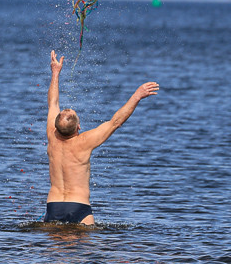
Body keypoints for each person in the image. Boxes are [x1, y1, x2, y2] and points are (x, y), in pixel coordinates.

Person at [44, 50, 159, 224]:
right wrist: (137, 96)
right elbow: (115, 122)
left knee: (54, 250)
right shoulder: (84, 141)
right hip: (79, 207)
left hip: (53, 207)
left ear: (56, 125)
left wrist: (55, 73)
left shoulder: (52, 137)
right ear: (78, 128)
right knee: (88, 251)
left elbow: (52, 102)